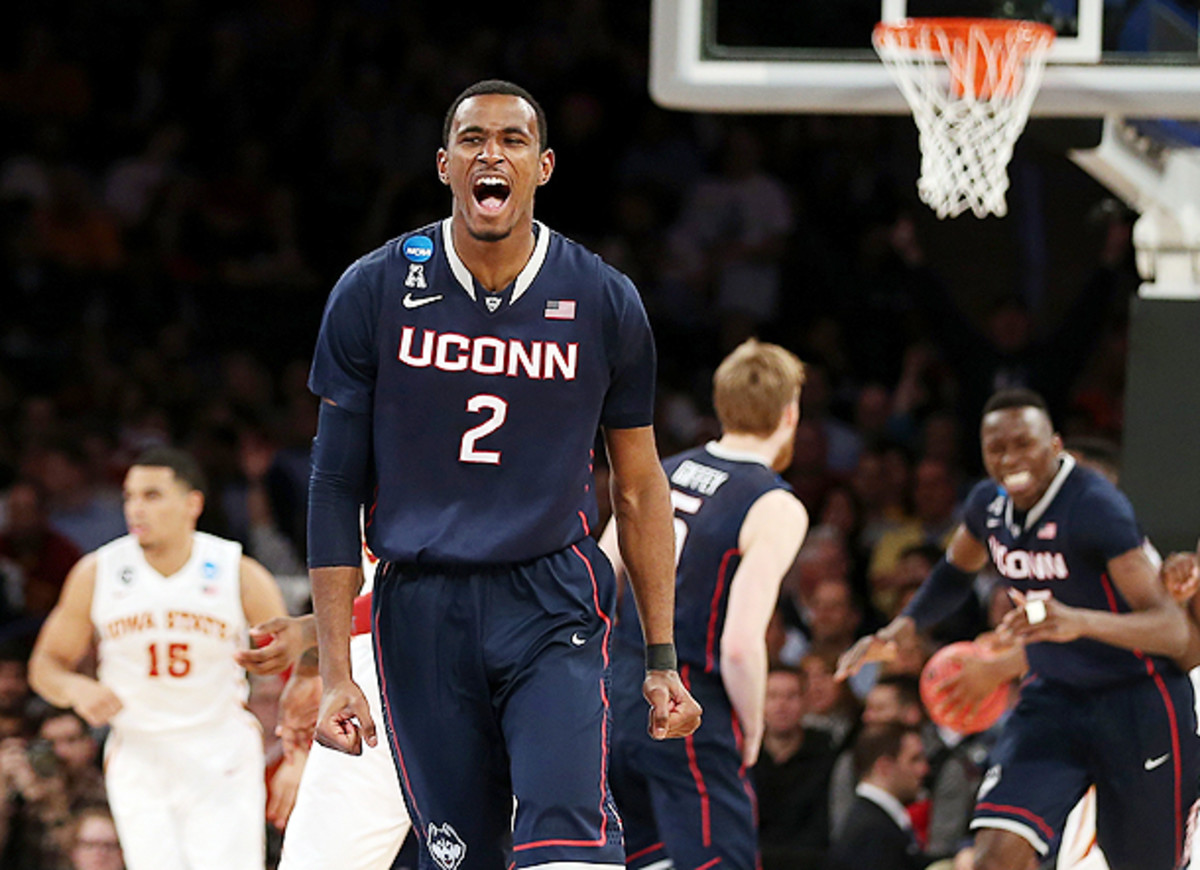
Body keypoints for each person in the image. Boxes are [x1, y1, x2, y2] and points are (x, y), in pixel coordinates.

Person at [305, 79, 702, 870]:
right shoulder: (374, 289)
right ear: (446, 165)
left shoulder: (602, 298)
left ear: (544, 166)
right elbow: (333, 485)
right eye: (475, 140)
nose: (493, 154)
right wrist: (333, 674)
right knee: (462, 857)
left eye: (514, 141)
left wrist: (661, 659)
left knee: (567, 840)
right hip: (418, 606)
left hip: (549, 597)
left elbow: (639, 486)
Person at [838, 388, 1199, 870]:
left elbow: (1175, 633)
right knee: (994, 857)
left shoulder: (1096, 507)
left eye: (1023, 444)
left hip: (1136, 701)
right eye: (996, 448)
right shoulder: (988, 504)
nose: (1010, 459)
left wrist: (1077, 622)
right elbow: (953, 571)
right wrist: (905, 625)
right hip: (1053, 698)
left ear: (1054, 446)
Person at [27, 446, 293, 870]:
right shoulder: (98, 571)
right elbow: (45, 666)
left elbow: (301, 661)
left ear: (193, 503)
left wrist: (296, 753)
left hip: (218, 747)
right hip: (138, 751)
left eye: (152, 495)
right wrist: (76, 687)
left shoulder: (235, 570)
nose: (136, 508)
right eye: (129, 496)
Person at [601, 339, 810, 870]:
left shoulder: (663, 471)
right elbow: (740, 644)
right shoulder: (775, 504)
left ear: (722, 404)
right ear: (790, 413)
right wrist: (754, 727)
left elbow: (597, 578)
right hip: (690, 707)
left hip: (619, 697)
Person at [753, 666, 838, 870]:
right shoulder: (743, 758)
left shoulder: (827, 755)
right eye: (772, 696)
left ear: (806, 702)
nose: (781, 705)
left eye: (791, 696)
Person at [826, 721, 931, 870]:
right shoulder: (872, 833)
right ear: (884, 766)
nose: (924, 769)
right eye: (914, 760)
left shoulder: (874, 822)